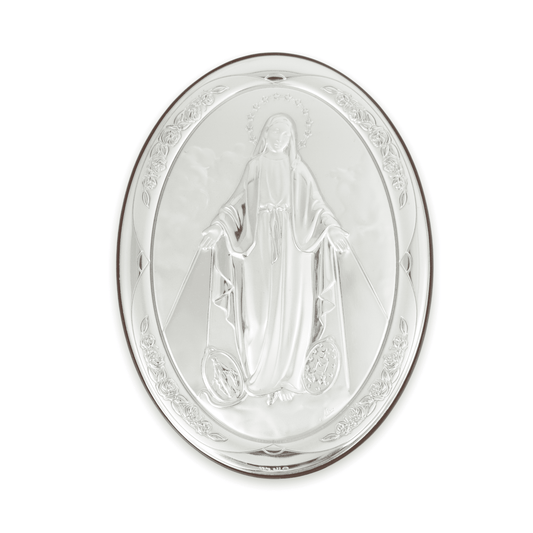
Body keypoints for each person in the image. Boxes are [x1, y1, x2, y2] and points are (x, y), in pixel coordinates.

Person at [200, 114, 350, 405]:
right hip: (258, 247)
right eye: (275, 132)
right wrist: (218, 226)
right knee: (257, 315)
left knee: (295, 311)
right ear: (265, 134)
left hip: (295, 248)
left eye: (285, 134)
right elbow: (236, 203)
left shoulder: (298, 170)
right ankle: (260, 380)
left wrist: (332, 227)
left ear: (291, 139)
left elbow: (317, 206)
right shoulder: (255, 167)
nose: (279, 139)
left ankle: (291, 380)